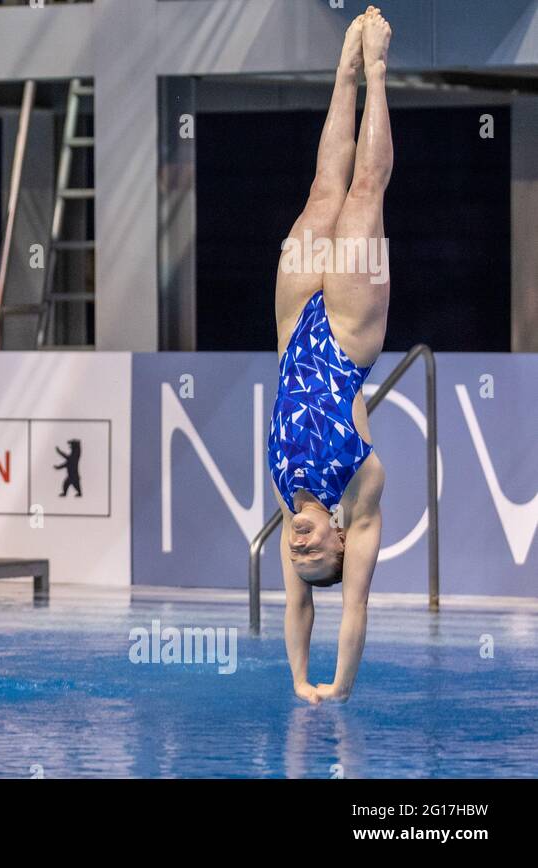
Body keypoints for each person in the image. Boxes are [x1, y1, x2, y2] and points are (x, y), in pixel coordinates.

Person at [266, 8, 392, 704]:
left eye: (297, 554)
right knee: (364, 193)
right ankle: (376, 68)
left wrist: (295, 680)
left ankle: (342, 72)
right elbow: (351, 608)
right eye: (316, 555)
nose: (301, 548)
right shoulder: (357, 493)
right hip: (346, 334)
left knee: (322, 190)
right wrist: (335, 687)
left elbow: (295, 606)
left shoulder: (288, 502)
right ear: (343, 541)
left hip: (291, 328)